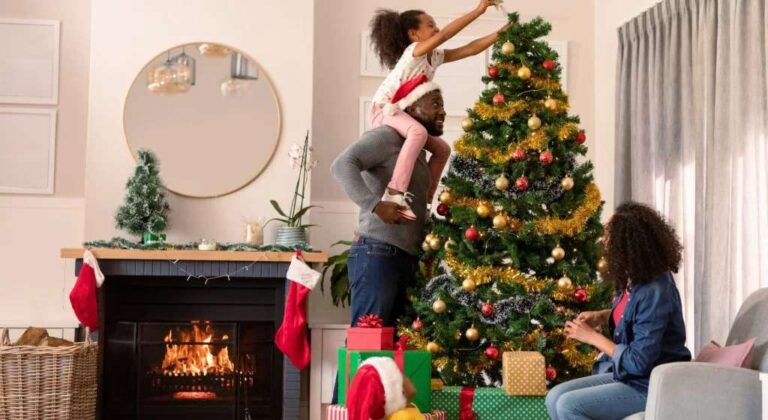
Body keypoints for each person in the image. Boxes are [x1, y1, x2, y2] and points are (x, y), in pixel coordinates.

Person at [545, 202, 692, 420]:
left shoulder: (655, 291)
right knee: (554, 396)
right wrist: (602, 316)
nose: (604, 242)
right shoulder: (636, 278)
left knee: (568, 406)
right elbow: (636, 316)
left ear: (627, 244)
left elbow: (638, 361)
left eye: (609, 237)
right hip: (631, 378)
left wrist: (592, 337)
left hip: (650, 385)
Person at [368, 1, 511, 220]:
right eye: (430, 25)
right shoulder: (413, 52)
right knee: (418, 132)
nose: (435, 29)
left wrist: (500, 34)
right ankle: (395, 193)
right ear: (414, 34)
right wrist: (479, 9)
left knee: (442, 149)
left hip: (401, 114)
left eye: (435, 25)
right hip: (383, 110)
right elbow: (444, 35)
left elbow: (470, 49)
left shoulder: (434, 56)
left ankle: (424, 200)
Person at [331, 80, 445, 328]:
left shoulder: (415, 149)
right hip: (378, 251)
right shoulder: (386, 137)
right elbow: (342, 165)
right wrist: (376, 205)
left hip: (405, 256)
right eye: (435, 104)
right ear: (412, 109)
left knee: (393, 348)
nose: (443, 111)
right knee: (368, 344)